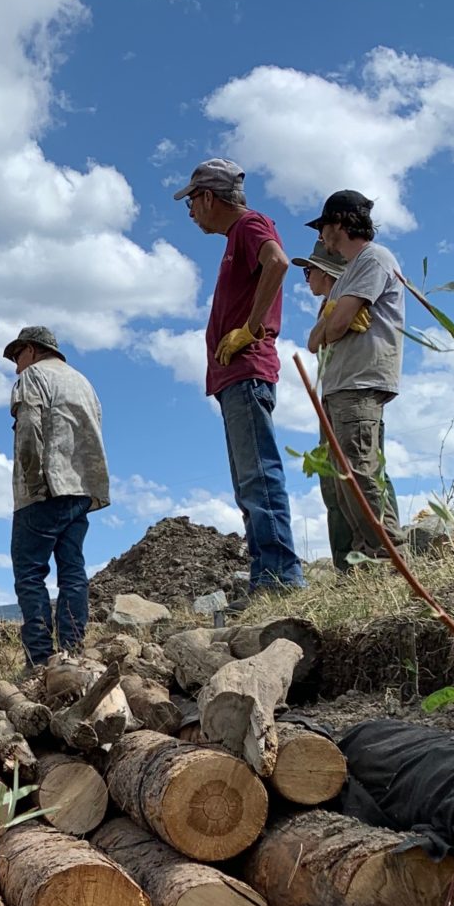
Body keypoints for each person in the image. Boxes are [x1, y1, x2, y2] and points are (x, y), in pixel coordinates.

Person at [175, 158, 303, 594]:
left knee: (258, 478)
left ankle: (279, 579)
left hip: (248, 372)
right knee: (248, 482)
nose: (190, 212)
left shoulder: (250, 226)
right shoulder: (236, 237)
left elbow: (279, 263)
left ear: (209, 196)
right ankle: (265, 577)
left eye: (191, 202)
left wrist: (250, 327)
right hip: (236, 379)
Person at [305, 189, 405, 570]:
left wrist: (332, 323)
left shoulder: (374, 260)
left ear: (342, 223)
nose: (321, 237)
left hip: (360, 382)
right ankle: (361, 562)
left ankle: (387, 557)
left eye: (324, 227)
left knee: (358, 470)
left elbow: (339, 324)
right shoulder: (352, 270)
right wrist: (330, 323)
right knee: (339, 479)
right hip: (339, 386)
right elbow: (315, 339)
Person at [3, 323, 110, 668]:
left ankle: (39, 658)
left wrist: (34, 481)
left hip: (45, 488)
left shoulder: (32, 377)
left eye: (17, 355)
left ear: (32, 350)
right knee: (72, 569)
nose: (16, 365)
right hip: (82, 489)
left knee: (30, 573)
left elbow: (30, 429)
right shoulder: (84, 382)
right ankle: (73, 651)